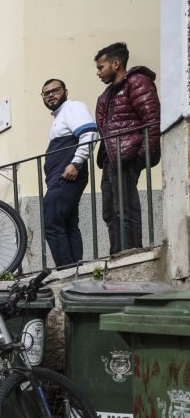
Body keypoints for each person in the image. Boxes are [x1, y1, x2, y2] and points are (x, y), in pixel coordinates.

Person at [94, 41, 161, 254]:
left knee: (126, 208)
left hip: (127, 155)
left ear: (116, 64)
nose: (98, 72)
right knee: (109, 210)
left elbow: (152, 120)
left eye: (100, 67)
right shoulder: (106, 95)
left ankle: (131, 252)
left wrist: (142, 155)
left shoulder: (137, 82)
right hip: (110, 158)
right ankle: (117, 254)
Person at [40, 79, 97, 268]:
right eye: (46, 93)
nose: (50, 95)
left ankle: (66, 269)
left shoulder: (73, 107)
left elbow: (89, 134)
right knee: (68, 223)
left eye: (55, 90)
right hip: (60, 175)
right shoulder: (59, 117)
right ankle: (75, 269)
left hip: (67, 174)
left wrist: (76, 163)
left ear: (65, 91)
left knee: (52, 221)